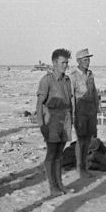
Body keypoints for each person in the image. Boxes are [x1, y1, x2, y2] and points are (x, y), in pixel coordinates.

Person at [36, 48, 73, 197]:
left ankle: (60, 185)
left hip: (65, 121)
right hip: (51, 122)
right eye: (62, 63)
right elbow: (39, 105)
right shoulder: (47, 80)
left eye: (66, 63)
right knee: (51, 154)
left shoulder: (67, 80)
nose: (65, 65)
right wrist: (41, 125)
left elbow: (70, 101)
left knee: (59, 155)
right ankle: (53, 187)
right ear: (54, 63)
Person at [70, 48, 100, 178]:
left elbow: (94, 93)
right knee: (81, 140)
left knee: (88, 140)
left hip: (91, 112)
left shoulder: (90, 75)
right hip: (80, 112)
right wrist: (72, 115)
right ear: (78, 61)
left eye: (88, 59)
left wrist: (96, 109)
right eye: (85, 60)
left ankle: (85, 166)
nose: (88, 62)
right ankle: (80, 167)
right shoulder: (73, 77)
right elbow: (71, 97)